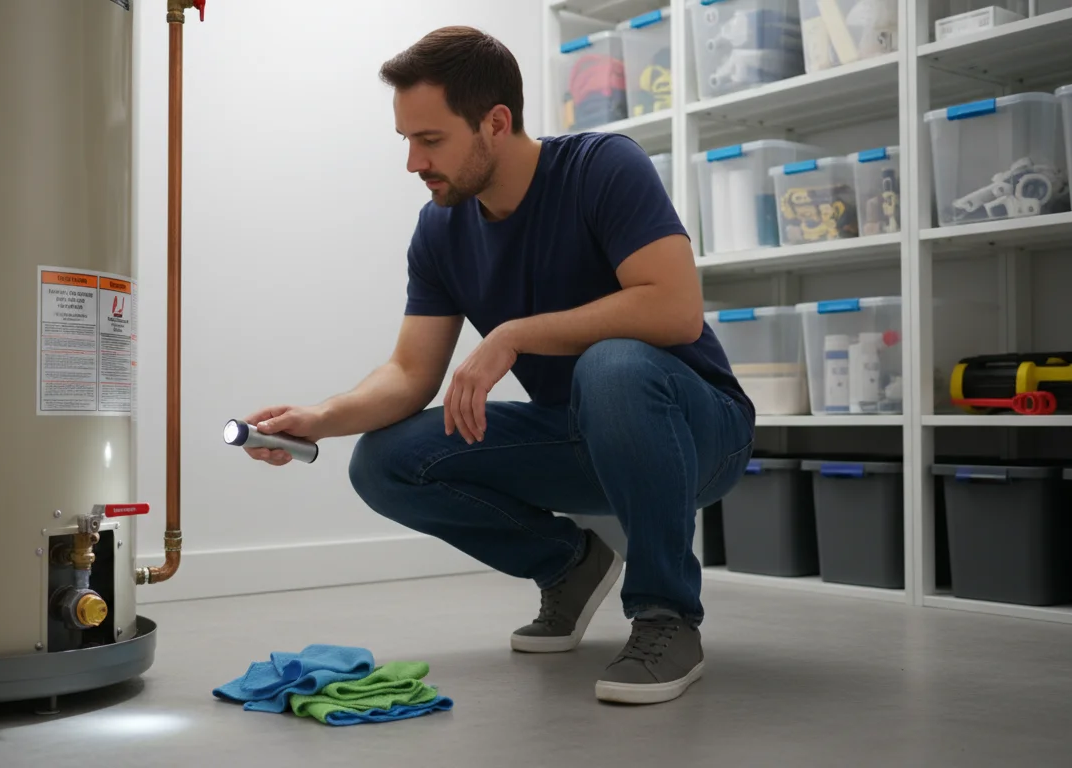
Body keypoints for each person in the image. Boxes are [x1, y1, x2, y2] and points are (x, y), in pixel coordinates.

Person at [240, 26, 755, 705]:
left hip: (698, 433)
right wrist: (321, 418)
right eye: (406, 142)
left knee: (614, 366)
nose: (413, 164)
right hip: (578, 433)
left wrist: (515, 334)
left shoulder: (603, 167)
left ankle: (666, 617)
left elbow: (675, 310)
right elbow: (409, 373)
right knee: (385, 460)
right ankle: (568, 566)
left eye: (430, 141)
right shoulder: (440, 229)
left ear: (495, 122)